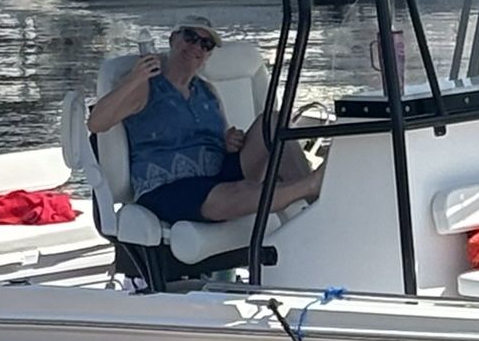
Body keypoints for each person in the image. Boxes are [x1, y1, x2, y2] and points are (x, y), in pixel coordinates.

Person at [87, 16, 324, 224]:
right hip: (168, 187)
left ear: (208, 55)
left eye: (205, 44)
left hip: (216, 174)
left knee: (272, 122)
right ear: (172, 39)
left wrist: (231, 141)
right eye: (190, 37)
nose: (196, 47)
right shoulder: (146, 86)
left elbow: (221, 138)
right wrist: (134, 78)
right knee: (229, 191)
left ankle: (320, 205)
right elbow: (96, 123)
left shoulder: (207, 91)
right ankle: (311, 185)